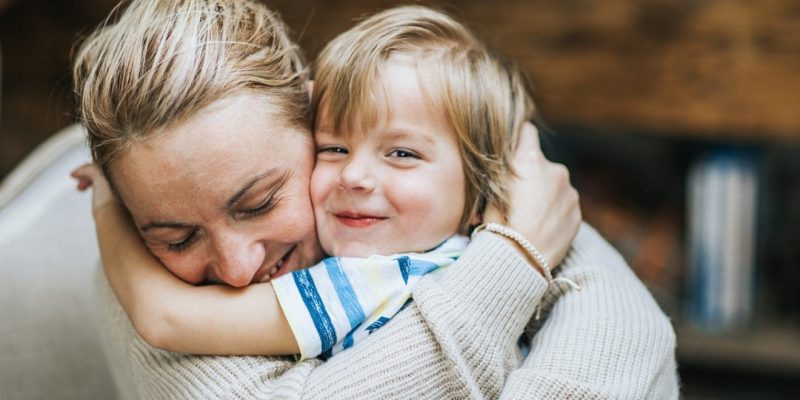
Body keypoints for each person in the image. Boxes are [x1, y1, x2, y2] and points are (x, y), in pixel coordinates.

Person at [71, 0, 678, 398]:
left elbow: (634, 334)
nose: (235, 271)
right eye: (174, 237)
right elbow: (163, 319)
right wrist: (512, 263)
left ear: (313, 113)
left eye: (258, 203)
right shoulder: (136, 282)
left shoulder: (407, 236)